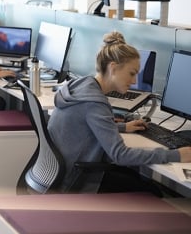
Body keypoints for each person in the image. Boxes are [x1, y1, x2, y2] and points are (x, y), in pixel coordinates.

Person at [47, 31, 191, 193]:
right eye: (132, 73)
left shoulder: (80, 86)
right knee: (153, 190)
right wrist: (176, 155)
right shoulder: (94, 103)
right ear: (113, 68)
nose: (135, 81)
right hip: (75, 182)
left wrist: (122, 127)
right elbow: (120, 155)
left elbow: (85, 126)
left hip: (58, 174)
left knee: (138, 179)